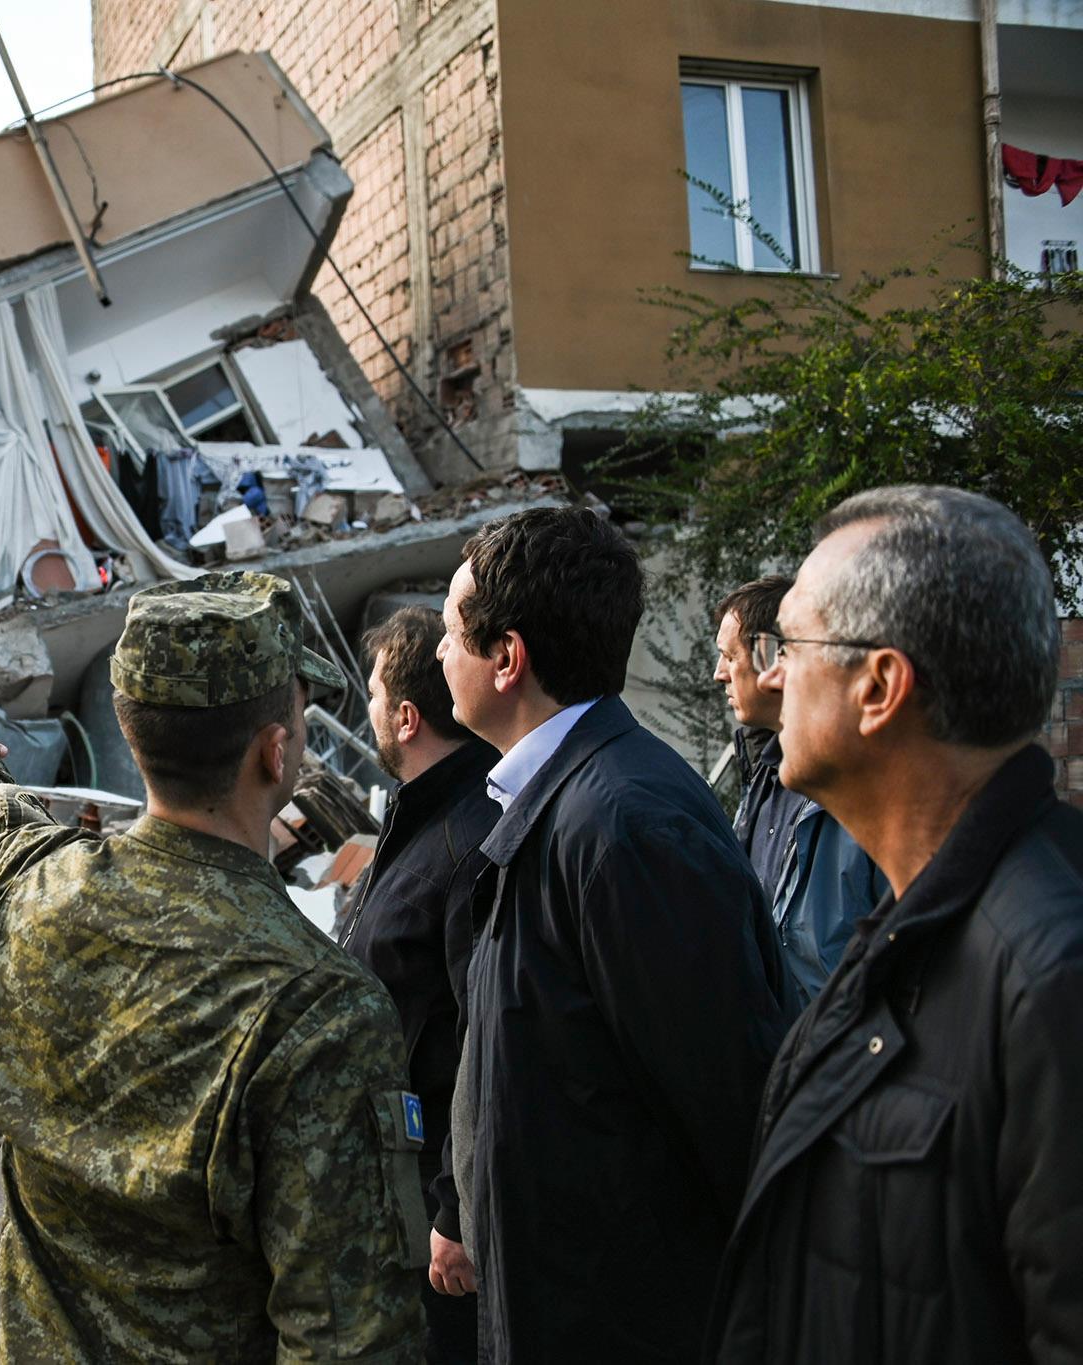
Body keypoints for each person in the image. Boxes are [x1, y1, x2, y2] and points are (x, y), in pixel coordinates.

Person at [0, 571, 431, 1362]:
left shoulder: (35, 893)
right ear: (276, 753)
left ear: (134, 739)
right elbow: (349, 1336)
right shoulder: (322, 1011)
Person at [707, 486, 1083, 1364]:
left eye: (789, 645)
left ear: (878, 686)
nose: (769, 673)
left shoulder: (1050, 974)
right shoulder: (907, 925)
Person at [434, 506, 792, 1365]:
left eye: (451, 631)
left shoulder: (623, 822)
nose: (440, 652)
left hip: (623, 1321)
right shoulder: (564, 801)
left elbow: (729, 1097)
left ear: (507, 657)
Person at [336, 605, 497, 1365]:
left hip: (434, 1217)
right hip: (394, 1195)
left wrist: (453, 1210)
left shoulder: (466, 843)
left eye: (371, 693)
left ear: (404, 716)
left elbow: (481, 1042)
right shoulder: (417, 824)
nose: (366, 708)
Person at [717, 575, 886, 1001]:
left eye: (728, 656)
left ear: (773, 656)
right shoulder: (763, 769)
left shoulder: (862, 784)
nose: (719, 674)